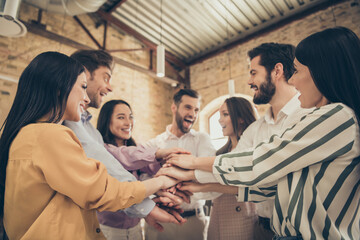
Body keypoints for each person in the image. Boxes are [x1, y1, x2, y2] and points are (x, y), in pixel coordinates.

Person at [163, 27, 360, 239]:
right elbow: (270, 187)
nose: (292, 80)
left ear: (321, 72)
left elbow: (263, 160)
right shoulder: (324, 118)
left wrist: (191, 164)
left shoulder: (337, 116)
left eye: (297, 71)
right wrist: (195, 181)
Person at [0, 52, 180, 239]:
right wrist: (162, 182)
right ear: (60, 87)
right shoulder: (51, 134)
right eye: (83, 87)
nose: (85, 98)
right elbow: (104, 190)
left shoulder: (25, 134)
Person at [159, 42, 301, 240]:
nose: (249, 81)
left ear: (277, 71)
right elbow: (235, 165)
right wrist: (192, 183)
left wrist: (191, 168)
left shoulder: (306, 116)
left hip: (301, 230)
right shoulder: (256, 129)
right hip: (267, 226)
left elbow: (255, 166)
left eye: (253, 73)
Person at [63, 50, 186, 234]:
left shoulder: (90, 130)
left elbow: (119, 161)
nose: (110, 87)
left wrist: (154, 193)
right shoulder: (69, 124)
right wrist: (155, 192)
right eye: (106, 78)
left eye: (130, 117)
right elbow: (110, 170)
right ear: (84, 74)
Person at [96, 99, 190, 239]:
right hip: (109, 231)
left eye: (131, 117)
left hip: (135, 230)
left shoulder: (137, 150)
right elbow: (122, 156)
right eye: (121, 117)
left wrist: (172, 184)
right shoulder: (102, 150)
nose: (129, 123)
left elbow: (153, 170)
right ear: (106, 120)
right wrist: (159, 153)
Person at [145, 89, 216, 240]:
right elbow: (144, 179)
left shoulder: (202, 140)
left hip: (193, 222)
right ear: (174, 108)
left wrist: (168, 184)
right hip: (160, 221)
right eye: (188, 107)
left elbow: (210, 176)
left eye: (196, 109)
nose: (193, 114)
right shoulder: (154, 144)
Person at [198, 97, 259, 240]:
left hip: (243, 219)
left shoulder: (252, 149)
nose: (220, 120)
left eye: (225, 114)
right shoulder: (219, 154)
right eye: (219, 115)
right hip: (217, 218)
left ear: (241, 118)